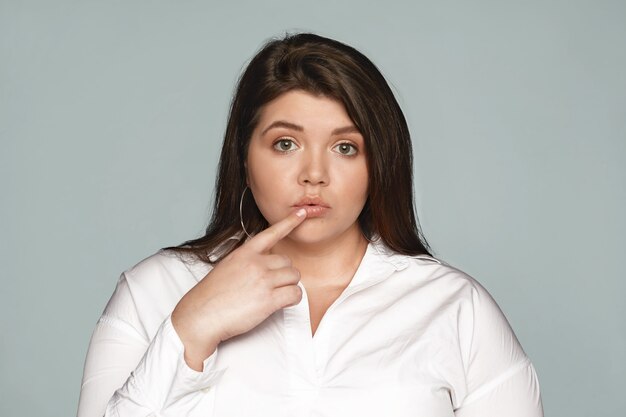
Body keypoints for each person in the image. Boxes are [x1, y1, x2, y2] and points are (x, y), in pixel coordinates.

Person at [77, 33, 543, 417]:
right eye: (285, 144)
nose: (314, 174)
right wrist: (191, 328)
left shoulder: (456, 308)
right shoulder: (153, 290)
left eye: (345, 147)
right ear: (244, 154)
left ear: (379, 162)